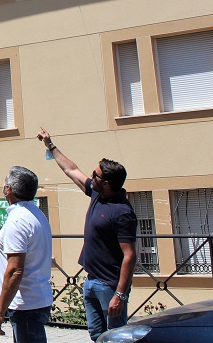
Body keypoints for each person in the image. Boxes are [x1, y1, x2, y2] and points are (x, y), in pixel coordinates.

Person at [37, 127, 137, 341]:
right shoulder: (97, 193)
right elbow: (71, 170)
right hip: (91, 280)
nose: (91, 177)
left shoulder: (122, 212)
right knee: (96, 335)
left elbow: (129, 255)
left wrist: (119, 295)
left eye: (96, 175)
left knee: (116, 337)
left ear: (107, 183)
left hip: (110, 285)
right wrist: (51, 146)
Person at [0, 166, 53, 342]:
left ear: (9, 189)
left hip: (24, 303)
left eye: (5, 183)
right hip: (35, 298)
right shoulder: (36, 213)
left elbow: (15, 270)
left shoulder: (17, 222)